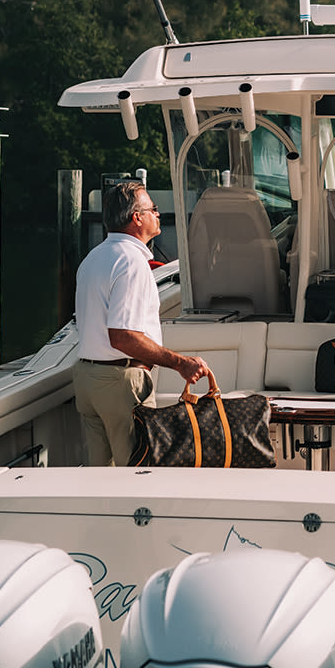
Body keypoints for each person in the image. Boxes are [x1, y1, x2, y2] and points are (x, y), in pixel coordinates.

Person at [74, 179, 209, 467]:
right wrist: (180, 363)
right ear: (137, 218)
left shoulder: (93, 258)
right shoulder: (131, 262)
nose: (158, 214)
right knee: (137, 472)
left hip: (87, 380)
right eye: (154, 209)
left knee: (99, 477)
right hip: (120, 384)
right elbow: (122, 337)